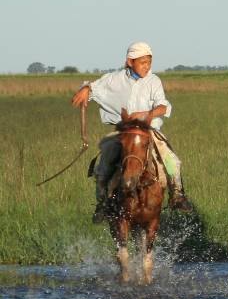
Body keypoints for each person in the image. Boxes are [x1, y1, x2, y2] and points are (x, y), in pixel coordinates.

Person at [70, 41, 194, 222]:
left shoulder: (153, 81)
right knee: (103, 165)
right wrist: (86, 90)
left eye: (149, 63)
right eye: (143, 63)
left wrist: (147, 114)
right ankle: (102, 203)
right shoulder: (114, 79)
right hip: (124, 133)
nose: (147, 67)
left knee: (171, 160)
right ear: (130, 61)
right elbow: (94, 88)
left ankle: (177, 194)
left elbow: (162, 106)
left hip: (148, 131)